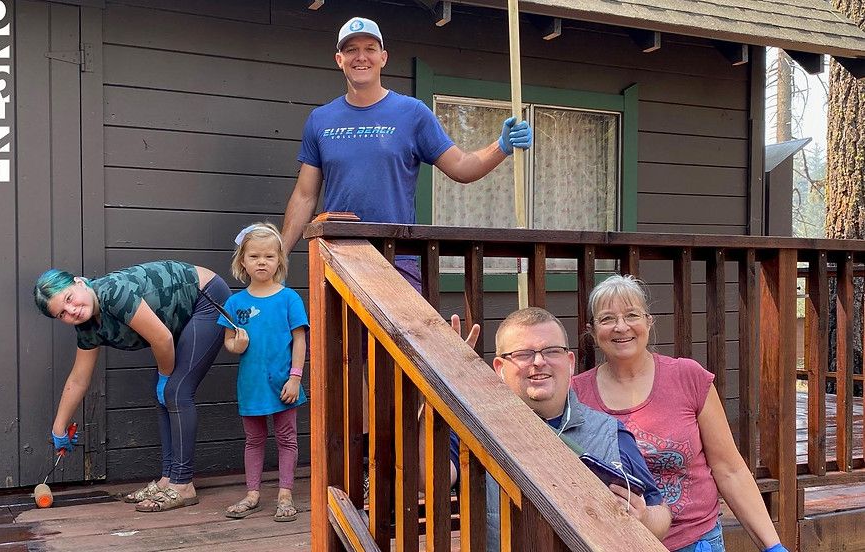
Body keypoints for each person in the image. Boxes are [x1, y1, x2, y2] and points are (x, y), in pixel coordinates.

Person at [280, 15, 534, 286]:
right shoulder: (321, 119)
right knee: (341, 331)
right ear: (339, 59)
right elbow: (305, 196)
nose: (361, 57)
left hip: (397, 257)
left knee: (400, 331)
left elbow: (461, 167)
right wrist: (280, 253)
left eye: (370, 49)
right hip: (341, 258)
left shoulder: (412, 113)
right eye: (351, 49)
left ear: (383, 57)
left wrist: (502, 146)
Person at [572, 274, 789, 552]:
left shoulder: (688, 377)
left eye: (632, 315)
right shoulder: (576, 395)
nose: (621, 327)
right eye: (607, 319)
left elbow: (730, 469)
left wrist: (772, 547)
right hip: (616, 543)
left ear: (649, 322)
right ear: (592, 331)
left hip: (696, 540)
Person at [450, 308, 671, 550]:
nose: (538, 362)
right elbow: (424, 475)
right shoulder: (473, 429)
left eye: (551, 351)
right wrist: (444, 379)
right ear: (499, 368)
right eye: (523, 354)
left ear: (570, 363)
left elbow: (659, 511)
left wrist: (643, 517)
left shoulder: (609, 433)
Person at [33, 260, 231, 512]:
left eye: (69, 299)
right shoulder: (86, 325)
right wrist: (59, 428)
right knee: (166, 394)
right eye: (61, 313)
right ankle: (168, 479)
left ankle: (183, 484)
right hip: (179, 313)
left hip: (205, 298)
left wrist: (164, 377)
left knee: (175, 391)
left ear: (79, 282)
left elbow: (162, 338)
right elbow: (78, 379)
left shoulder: (113, 293)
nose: (71, 311)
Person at [218, 223, 308, 523]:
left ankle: (285, 494)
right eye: (254, 256)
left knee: (287, 438)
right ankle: (253, 493)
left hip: (285, 383)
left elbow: (300, 340)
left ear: (279, 260)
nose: (262, 262)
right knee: (253, 440)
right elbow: (229, 342)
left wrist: (295, 377)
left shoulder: (289, 299)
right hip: (251, 384)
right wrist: (237, 345)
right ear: (242, 260)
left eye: (269, 256)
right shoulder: (235, 302)